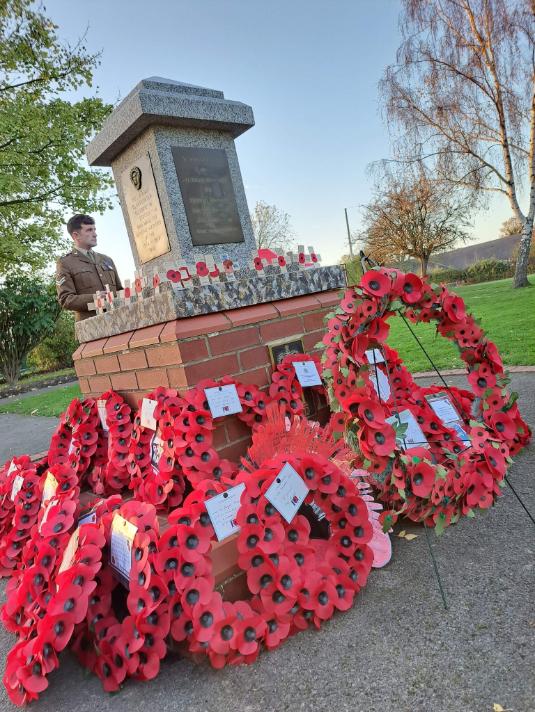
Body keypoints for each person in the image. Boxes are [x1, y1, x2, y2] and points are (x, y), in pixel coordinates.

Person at [56, 214, 123, 321]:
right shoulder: (65, 262)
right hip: (90, 327)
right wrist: (95, 298)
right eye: (89, 230)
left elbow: (120, 291)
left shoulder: (107, 259)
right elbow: (65, 299)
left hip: (119, 320)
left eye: (94, 230)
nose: (95, 234)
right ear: (76, 235)